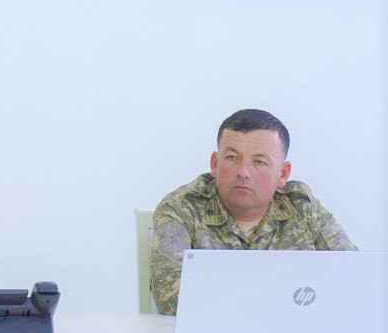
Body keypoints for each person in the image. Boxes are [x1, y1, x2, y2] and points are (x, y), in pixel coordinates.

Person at [149, 108, 356, 315]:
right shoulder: (182, 208)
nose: (243, 172)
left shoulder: (303, 208)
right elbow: (168, 297)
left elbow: (354, 278)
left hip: (293, 331)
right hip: (214, 332)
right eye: (232, 157)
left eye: (259, 162)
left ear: (283, 174)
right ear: (215, 164)